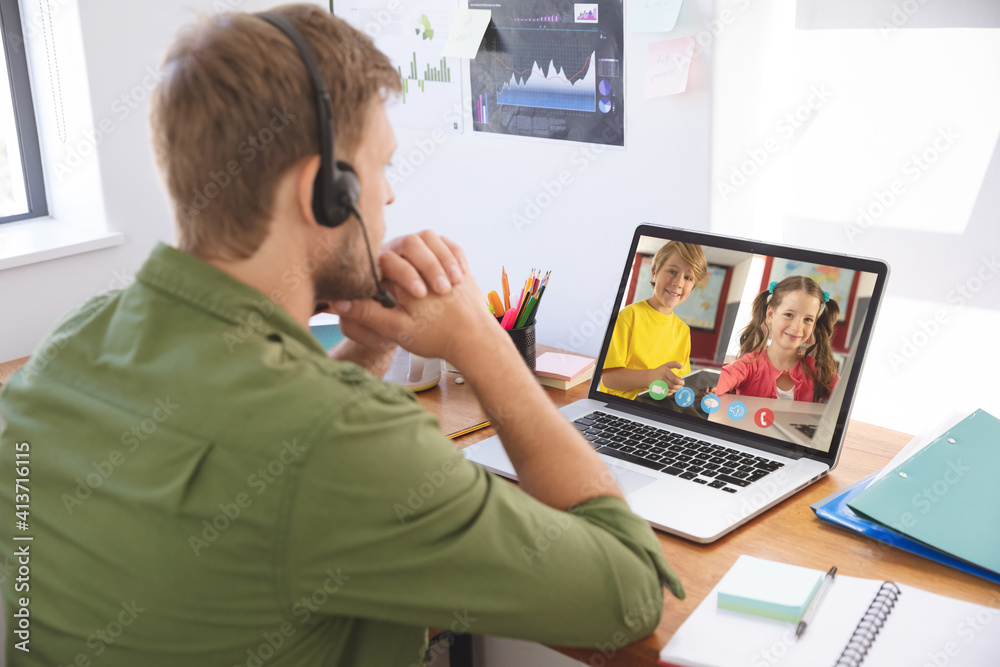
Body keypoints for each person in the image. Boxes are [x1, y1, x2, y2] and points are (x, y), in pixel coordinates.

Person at [0, 5, 683, 665]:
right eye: (382, 166)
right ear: (325, 193)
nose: (388, 196)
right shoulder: (341, 442)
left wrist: (374, 347)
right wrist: (483, 342)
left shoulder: (69, 347)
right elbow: (629, 590)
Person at [600, 241, 708, 400]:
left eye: (688, 277)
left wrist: (699, 393)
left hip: (660, 408)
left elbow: (680, 385)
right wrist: (650, 376)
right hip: (623, 407)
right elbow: (608, 379)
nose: (678, 282)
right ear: (654, 272)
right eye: (672, 271)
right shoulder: (629, 316)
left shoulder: (683, 331)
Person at [715, 276, 840, 403]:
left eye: (808, 319)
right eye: (789, 315)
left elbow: (847, 396)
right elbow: (720, 381)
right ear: (770, 314)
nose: (797, 327)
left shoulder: (817, 371)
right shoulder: (748, 365)